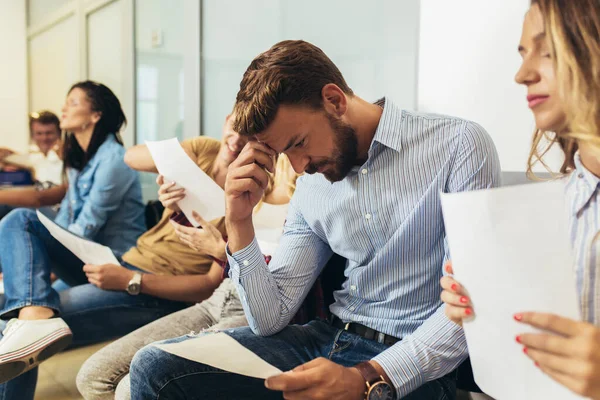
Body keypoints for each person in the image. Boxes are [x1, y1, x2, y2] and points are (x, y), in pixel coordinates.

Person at [128, 40, 501, 400]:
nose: (299, 168)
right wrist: (240, 222)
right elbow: (269, 318)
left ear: (335, 100)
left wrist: (365, 378)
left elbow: (469, 303)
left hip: (405, 361)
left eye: (299, 143)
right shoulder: (311, 187)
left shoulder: (458, 145)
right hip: (324, 339)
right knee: (153, 368)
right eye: (282, 153)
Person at [440, 1, 600, 399]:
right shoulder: (549, 210)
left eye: (546, 51)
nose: (522, 74)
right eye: (524, 53)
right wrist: (480, 313)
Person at [75, 114, 297, 400]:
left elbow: (285, 279)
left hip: (254, 307)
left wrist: (221, 250)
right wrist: (175, 205)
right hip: (219, 297)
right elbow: (214, 258)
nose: (242, 139)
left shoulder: (309, 189)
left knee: (129, 387)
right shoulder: (251, 179)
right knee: (93, 376)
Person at [0, 81, 146, 399]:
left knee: (19, 218)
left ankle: (33, 313)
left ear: (95, 114)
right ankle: (32, 313)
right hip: (83, 259)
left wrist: (34, 263)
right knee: (11, 313)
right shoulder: (81, 159)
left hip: (113, 262)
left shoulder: (114, 159)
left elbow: (83, 229)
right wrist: (29, 268)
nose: (64, 108)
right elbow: (64, 224)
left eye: (73, 102)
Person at [0, 111, 64, 219]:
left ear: (59, 133)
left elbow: (38, 198)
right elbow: (8, 156)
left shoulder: (66, 155)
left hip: (57, 212)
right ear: (33, 136)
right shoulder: (37, 158)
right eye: (39, 133)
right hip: (41, 206)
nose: (44, 138)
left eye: (49, 133)